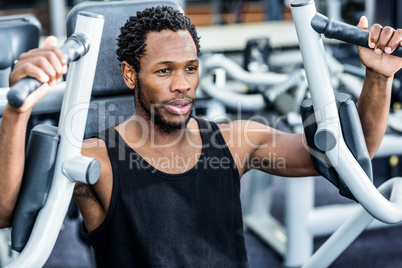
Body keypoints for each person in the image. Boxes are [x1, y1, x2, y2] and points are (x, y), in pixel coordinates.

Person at [1, 5, 402, 267]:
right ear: (129, 74)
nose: (182, 85)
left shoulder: (235, 141)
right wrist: (17, 113)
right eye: (164, 71)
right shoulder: (94, 160)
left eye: (190, 68)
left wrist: (378, 77)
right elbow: (5, 215)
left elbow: (350, 156)